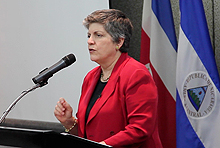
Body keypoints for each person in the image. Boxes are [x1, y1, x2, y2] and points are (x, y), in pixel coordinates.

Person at [54, 9, 162, 148]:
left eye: (98, 35)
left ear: (119, 42)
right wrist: (69, 122)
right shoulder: (90, 77)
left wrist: (102, 146)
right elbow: (89, 135)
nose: (90, 41)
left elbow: (140, 128)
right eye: (88, 35)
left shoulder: (136, 74)